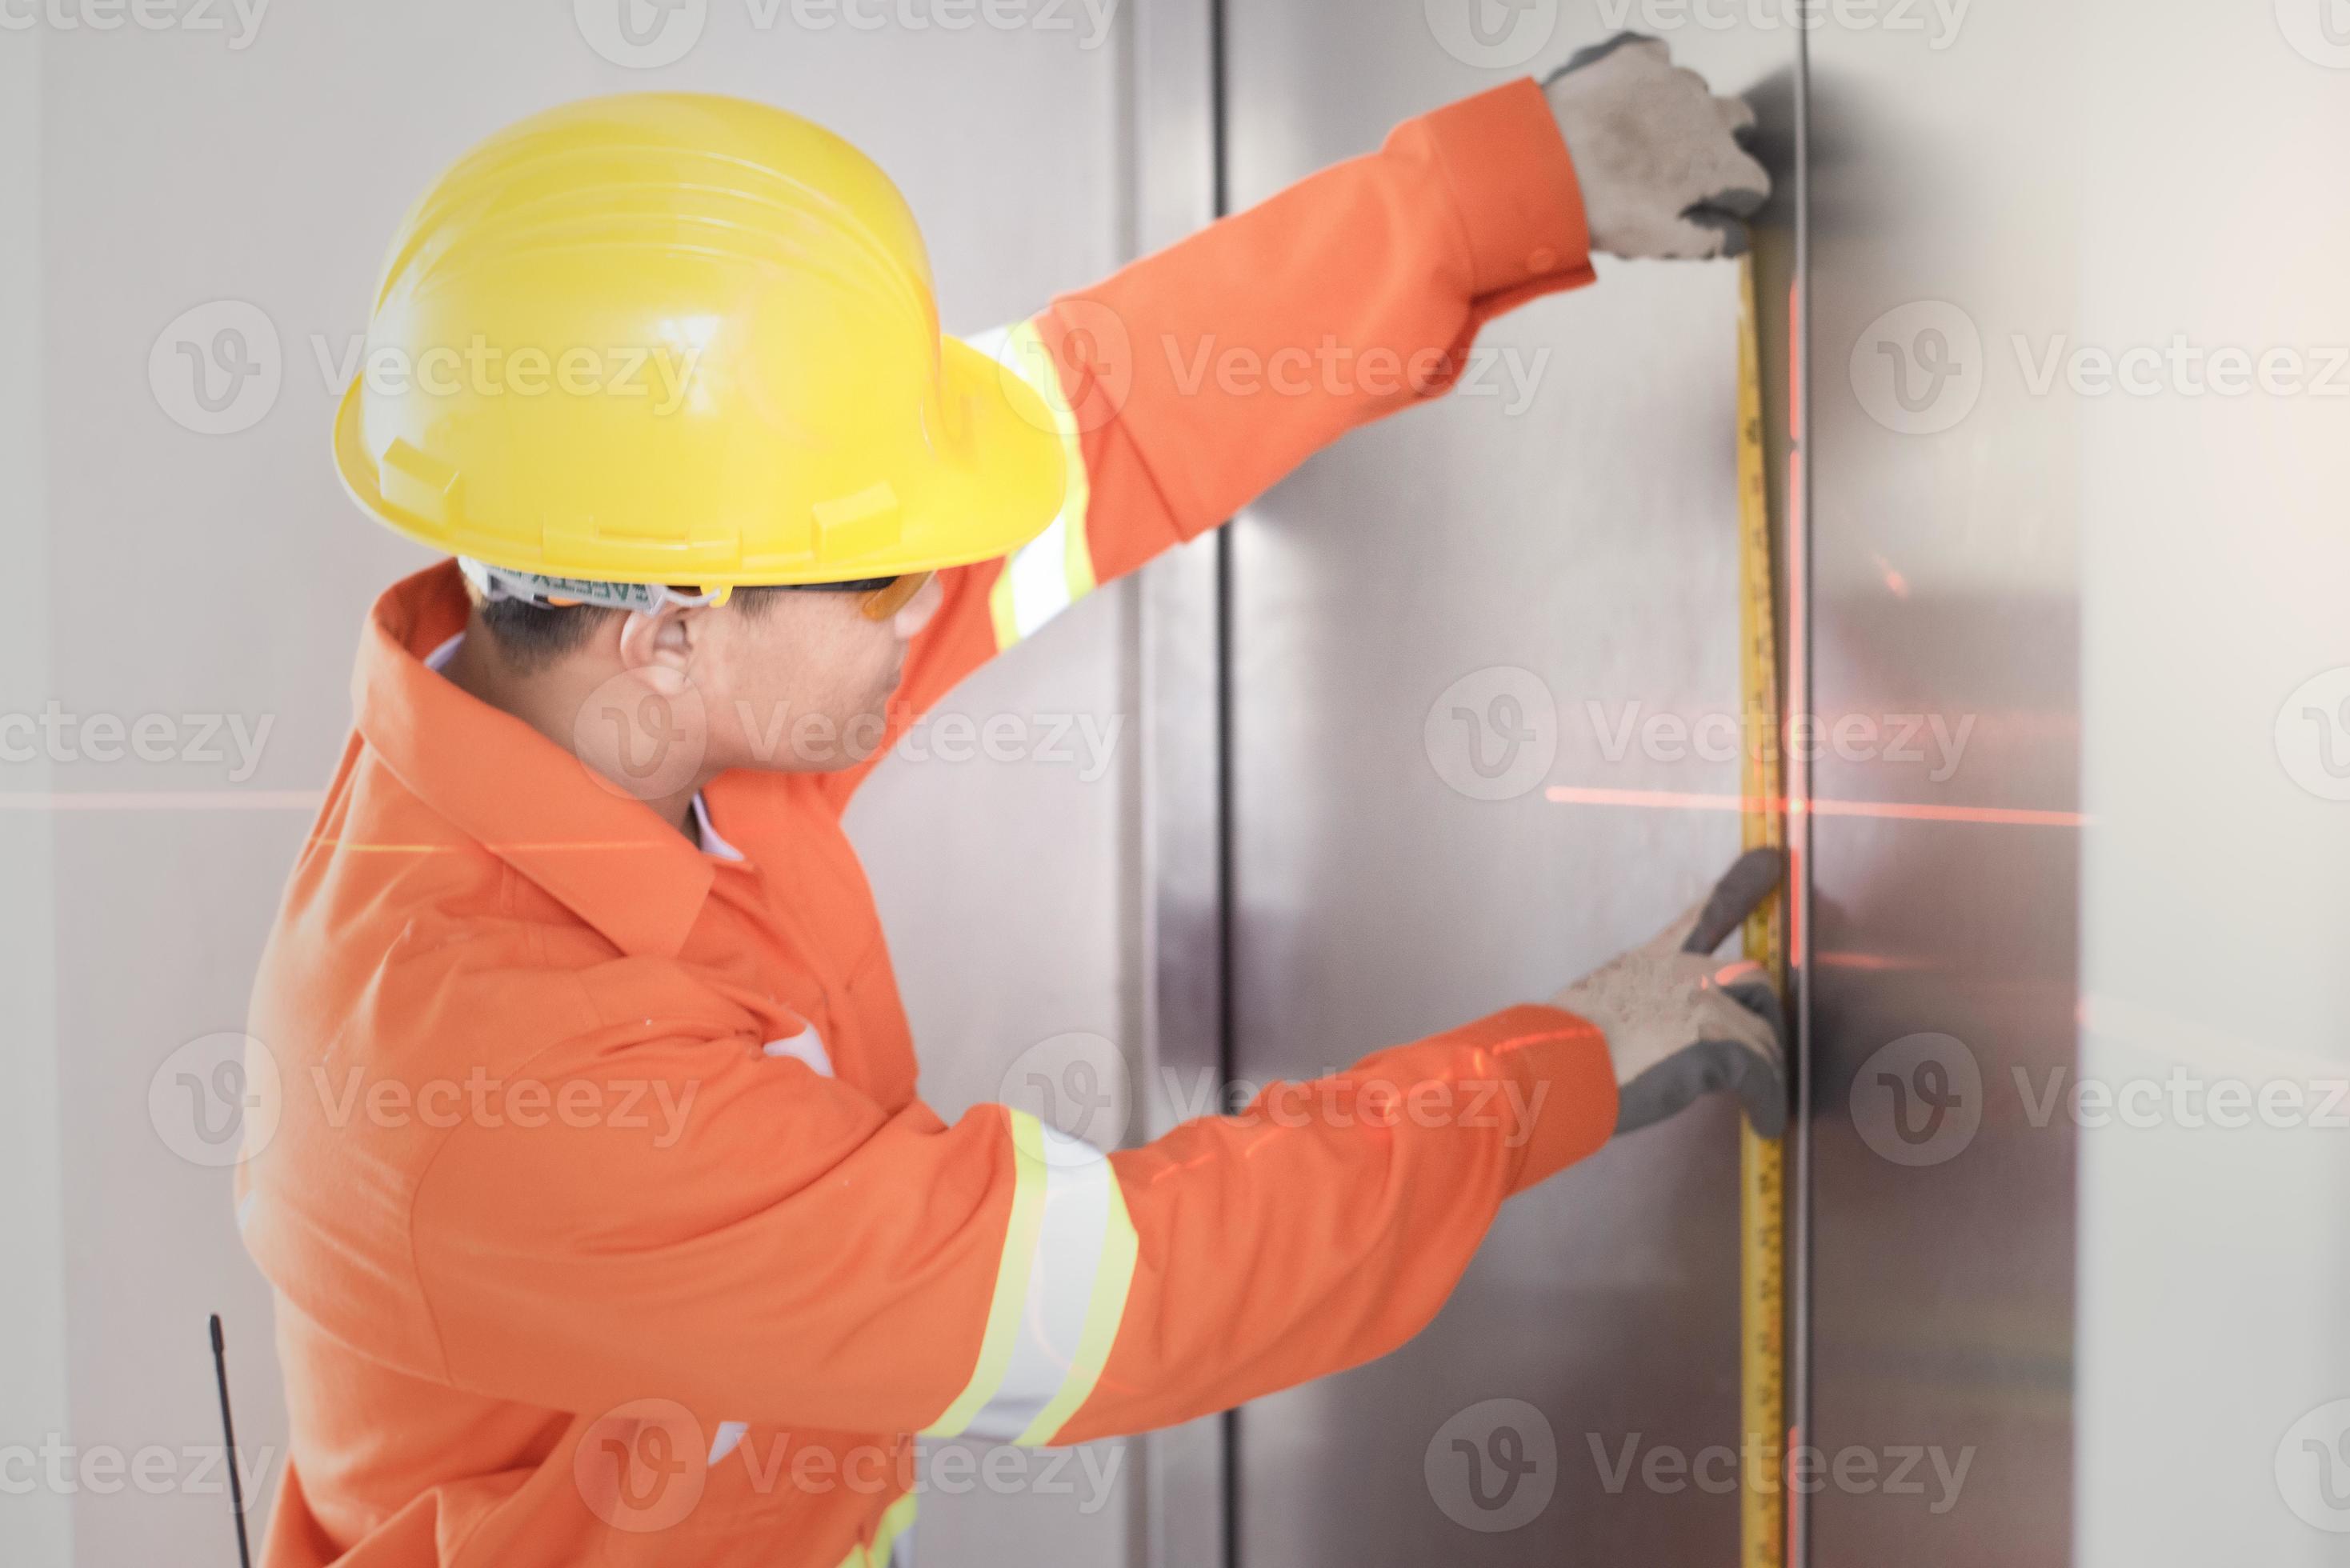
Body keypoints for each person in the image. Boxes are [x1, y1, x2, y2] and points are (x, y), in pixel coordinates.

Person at [240, 33, 1784, 1568]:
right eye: (895, 573)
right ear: (667, 630)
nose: (938, 601)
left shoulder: (613, 706)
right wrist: (1547, 1071)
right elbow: (1117, 1290)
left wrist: (1500, 191)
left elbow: (1087, 426)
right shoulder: (498, 1075)